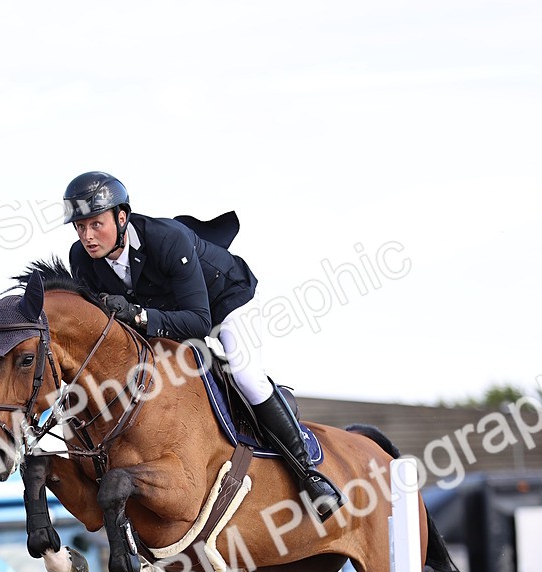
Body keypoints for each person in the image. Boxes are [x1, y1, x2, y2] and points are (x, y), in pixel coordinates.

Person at [62, 171, 343, 516]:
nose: (88, 237)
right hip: (165, 313)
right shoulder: (81, 259)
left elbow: (199, 322)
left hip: (222, 301)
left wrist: (138, 315)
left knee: (245, 375)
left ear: (122, 218)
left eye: (96, 224)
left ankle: (308, 474)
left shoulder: (167, 239)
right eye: (80, 227)